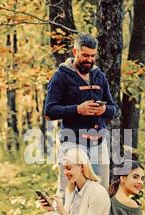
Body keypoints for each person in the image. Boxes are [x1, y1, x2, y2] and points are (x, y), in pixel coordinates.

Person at [44, 33, 117, 199]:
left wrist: (103, 111)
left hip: (98, 143)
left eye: (93, 56)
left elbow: (113, 108)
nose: (89, 60)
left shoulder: (99, 76)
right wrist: (78, 109)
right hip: (72, 142)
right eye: (85, 55)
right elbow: (50, 111)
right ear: (74, 52)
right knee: (67, 193)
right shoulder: (61, 76)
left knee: (101, 193)